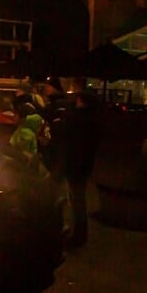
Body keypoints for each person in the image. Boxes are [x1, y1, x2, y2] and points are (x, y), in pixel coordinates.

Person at [52, 87, 103, 248]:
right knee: (76, 199)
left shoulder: (79, 119)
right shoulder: (93, 119)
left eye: (79, 99)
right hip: (83, 165)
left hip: (75, 165)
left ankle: (78, 235)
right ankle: (78, 232)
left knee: (76, 201)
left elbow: (68, 138)